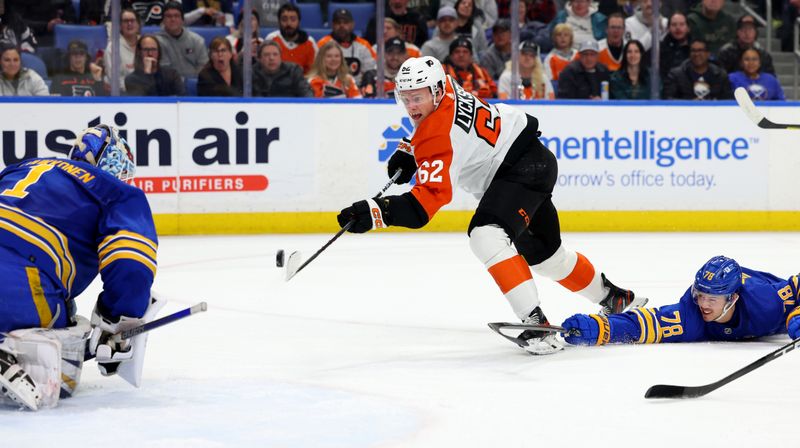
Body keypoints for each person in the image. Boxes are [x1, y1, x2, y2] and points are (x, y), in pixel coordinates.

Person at [336, 56, 642, 356]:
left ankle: (534, 323)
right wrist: (411, 149)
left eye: (418, 97)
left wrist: (376, 212)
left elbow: (421, 210)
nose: (412, 106)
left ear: (436, 91)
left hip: (517, 171)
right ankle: (615, 298)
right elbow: (441, 127)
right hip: (533, 160)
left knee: (485, 234)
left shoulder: (436, 135)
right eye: (406, 98)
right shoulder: (446, 85)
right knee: (547, 257)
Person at [0, 124, 160, 411]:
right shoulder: (117, 192)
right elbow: (131, 263)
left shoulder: (20, 168)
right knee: (62, 357)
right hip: (18, 278)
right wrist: (118, 322)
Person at [562, 256, 800, 346]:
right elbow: (644, 324)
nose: (704, 304)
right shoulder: (692, 316)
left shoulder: (765, 302)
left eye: (712, 299)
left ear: (733, 299)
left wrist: (796, 315)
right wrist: (601, 328)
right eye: (700, 295)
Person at [316, 8, 376, 85]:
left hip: (358, 88)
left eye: (346, 22)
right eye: (338, 23)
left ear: (352, 24)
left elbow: (371, 70)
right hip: (330, 87)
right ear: (332, 25)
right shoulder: (323, 44)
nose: (342, 26)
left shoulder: (364, 45)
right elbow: (317, 70)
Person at [663, 38, 732, 100]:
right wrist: (691, 104)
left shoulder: (720, 75)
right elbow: (668, 99)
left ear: (708, 54)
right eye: (693, 51)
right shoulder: (676, 75)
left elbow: (728, 100)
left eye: (700, 50)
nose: (696, 54)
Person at [155, 2, 209, 79]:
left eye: (176, 16)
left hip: (195, 85)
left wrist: (192, 84)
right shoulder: (156, 42)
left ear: (182, 20)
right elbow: (164, 70)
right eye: (168, 16)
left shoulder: (197, 40)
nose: (173, 19)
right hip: (169, 86)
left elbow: (203, 67)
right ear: (163, 20)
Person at [266, 3, 317, 75]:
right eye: (284, 19)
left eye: (293, 19)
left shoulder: (310, 42)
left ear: (299, 21)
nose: (288, 23)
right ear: (279, 21)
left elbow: (314, 72)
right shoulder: (271, 39)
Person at [104, 8, 141, 92]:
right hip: (122, 95)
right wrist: (136, 86)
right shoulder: (113, 47)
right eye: (125, 21)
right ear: (120, 26)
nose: (129, 24)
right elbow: (113, 80)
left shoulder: (145, 43)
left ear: (138, 24)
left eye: (132, 20)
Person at [659, 12, 691, 79]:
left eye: (682, 24)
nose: (678, 28)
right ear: (668, 28)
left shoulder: (695, 48)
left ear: (688, 28)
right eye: (674, 25)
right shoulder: (660, 49)